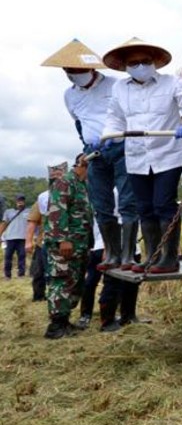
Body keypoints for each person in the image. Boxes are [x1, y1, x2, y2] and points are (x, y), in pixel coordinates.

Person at [102, 37, 182, 280]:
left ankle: (170, 257)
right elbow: (114, 117)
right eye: (134, 63)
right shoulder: (119, 89)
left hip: (167, 152)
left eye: (145, 61)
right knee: (144, 208)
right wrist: (107, 136)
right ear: (125, 66)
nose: (140, 66)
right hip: (136, 156)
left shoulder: (172, 82)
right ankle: (151, 256)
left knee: (163, 203)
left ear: (154, 61)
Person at [40, 39, 138, 274]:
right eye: (69, 71)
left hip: (121, 147)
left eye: (78, 70)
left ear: (92, 69)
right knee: (101, 204)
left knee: (126, 201)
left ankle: (128, 254)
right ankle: (112, 253)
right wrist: (86, 145)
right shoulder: (69, 95)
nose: (74, 74)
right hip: (94, 154)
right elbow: (79, 123)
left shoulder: (116, 85)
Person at [43, 153, 93, 339]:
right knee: (61, 281)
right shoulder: (65, 181)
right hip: (65, 244)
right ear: (84, 165)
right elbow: (57, 210)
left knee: (74, 282)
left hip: (78, 245)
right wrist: (62, 239)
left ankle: (64, 320)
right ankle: (56, 326)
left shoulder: (81, 185)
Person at [26, 162, 66, 301]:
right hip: (43, 241)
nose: (56, 177)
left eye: (59, 175)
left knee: (60, 272)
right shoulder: (42, 197)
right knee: (39, 272)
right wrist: (28, 241)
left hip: (65, 242)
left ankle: (57, 297)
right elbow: (32, 221)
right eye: (53, 175)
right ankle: (39, 297)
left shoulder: (73, 194)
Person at [2, 194, 29, 279]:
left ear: (24, 201)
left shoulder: (29, 211)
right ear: (16, 201)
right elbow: (4, 224)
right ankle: (7, 275)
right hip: (10, 238)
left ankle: (21, 274)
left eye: (22, 200)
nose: (20, 202)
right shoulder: (8, 212)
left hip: (22, 238)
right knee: (8, 257)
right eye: (18, 200)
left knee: (22, 256)